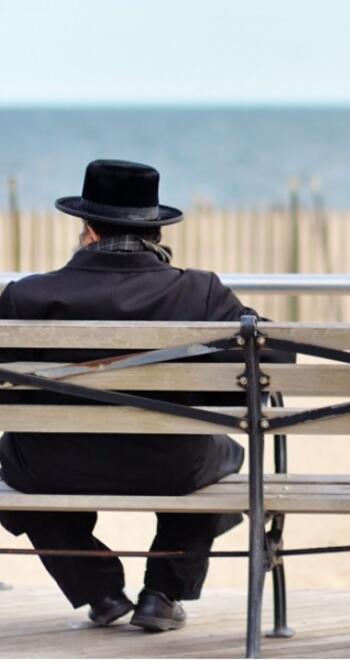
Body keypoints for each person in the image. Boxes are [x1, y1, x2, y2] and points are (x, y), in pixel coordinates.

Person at [0, 160, 290, 631]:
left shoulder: (24, 297)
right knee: (222, 455)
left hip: (55, 465)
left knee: (13, 459)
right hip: (169, 465)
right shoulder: (201, 292)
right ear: (154, 232)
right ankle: (163, 593)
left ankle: (98, 589)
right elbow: (272, 364)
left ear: (88, 230)